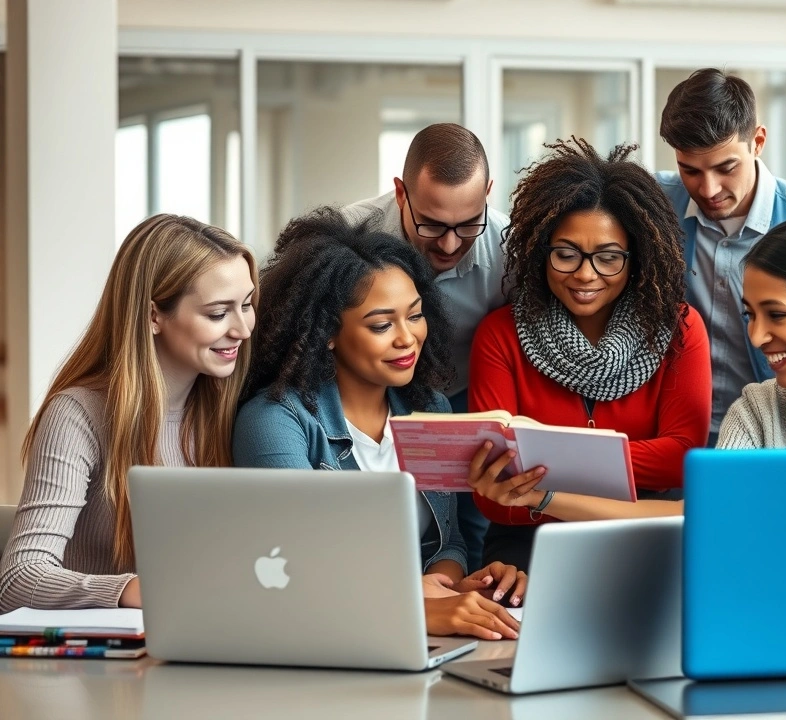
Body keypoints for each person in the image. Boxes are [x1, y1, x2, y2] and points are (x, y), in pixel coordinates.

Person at [470, 216, 786, 521]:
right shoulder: (759, 411)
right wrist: (544, 495)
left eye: (777, 315)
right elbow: (696, 518)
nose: (757, 336)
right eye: (750, 315)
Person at [233, 209, 523, 641]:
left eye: (416, 315)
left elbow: (448, 542)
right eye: (382, 325)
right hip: (325, 643)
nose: (407, 338)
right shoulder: (275, 422)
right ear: (327, 332)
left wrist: (458, 586)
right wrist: (416, 606)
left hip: (414, 637)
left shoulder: (431, 408)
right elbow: (296, 567)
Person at [466, 138, 711, 570]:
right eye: (566, 254)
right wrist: (618, 468)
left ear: (638, 258)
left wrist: (544, 476)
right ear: (541, 250)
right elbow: (496, 502)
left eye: (608, 257)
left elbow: (681, 460)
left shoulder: (681, 329)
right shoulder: (500, 334)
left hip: (648, 534)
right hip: (528, 548)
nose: (585, 274)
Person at [0, 215, 257, 612]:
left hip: (201, 635)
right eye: (218, 313)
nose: (243, 329)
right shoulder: (77, 414)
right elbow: (19, 580)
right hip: (102, 663)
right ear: (154, 315)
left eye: (246, 304)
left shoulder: (230, 406)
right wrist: (135, 590)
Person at [342, 122, 505, 571]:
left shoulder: (512, 253)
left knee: (460, 537)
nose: (450, 244)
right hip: (368, 401)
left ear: (488, 193)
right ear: (400, 193)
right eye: (431, 224)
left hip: (465, 404)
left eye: (468, 224)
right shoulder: (348, 237)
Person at [655, 69, 786, 442]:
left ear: (758, 141)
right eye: (690, 170)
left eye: (725, 167)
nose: (708, 188)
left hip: (770, 441)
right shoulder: (654, 205)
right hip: (671, 438)